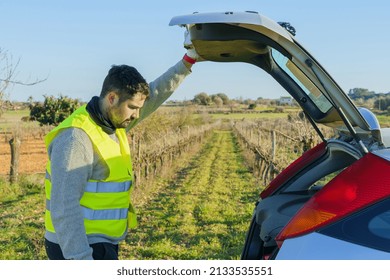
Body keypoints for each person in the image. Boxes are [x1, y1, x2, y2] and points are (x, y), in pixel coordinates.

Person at [43, 33, 201, 260]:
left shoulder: (113, 121)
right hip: (77, 248)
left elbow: (155, 94)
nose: (137, 115)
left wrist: (188, 62)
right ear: (112, 98)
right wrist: (81, 260)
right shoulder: (76, 139)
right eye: (133, 107)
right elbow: (64, 208)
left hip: (100, 242)